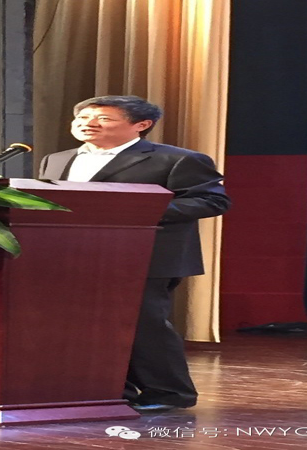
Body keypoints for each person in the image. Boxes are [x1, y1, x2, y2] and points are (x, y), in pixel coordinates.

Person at [38, 95, 231, 410]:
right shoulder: (57, 159)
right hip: (74, 255)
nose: (88, 124)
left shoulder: (177, 159)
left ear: (141, 125)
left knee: (143, 325)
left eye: (103, 118)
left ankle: (170, 393)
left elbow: (212, 201)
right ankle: (110, 390)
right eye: (82, 118)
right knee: (87, 325)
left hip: (147, 256)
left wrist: (135, 211)